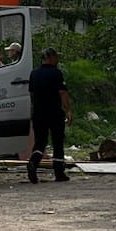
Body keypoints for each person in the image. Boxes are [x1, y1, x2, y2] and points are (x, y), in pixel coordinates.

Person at [26, 47, 72, 184]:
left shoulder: (34, 74)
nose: (57, 60)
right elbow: (62, 93)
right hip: (54, 112)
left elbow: (32, 94)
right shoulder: (56, 73)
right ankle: (59, 172)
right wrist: (68, 110)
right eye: (56, 57)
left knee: (40, 141)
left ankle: (33, 162)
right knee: (57, 141)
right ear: (51, 58)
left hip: (39, 113)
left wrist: (35, 110)